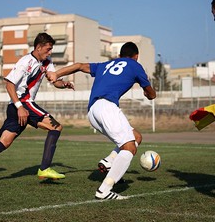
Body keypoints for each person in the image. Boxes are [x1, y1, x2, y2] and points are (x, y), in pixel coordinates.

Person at [46, 42, 156, 200]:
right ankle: (104, 190)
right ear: (136, 56)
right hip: (106, 107)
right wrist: (148, 94)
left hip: (92, 111)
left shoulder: (107, 64)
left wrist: (56, 74)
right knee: (129, 147)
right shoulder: (135, 65)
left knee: (136, 137)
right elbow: (151, 94)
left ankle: (110, 160)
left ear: (119, 56)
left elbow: (79, 65)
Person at [0, 32, 74, 189]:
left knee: (5, 141)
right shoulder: (25, 62)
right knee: (56, 127)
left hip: (19, 106)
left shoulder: (47, 62)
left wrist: (64, 84)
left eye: (51, 50)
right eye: (48, 49)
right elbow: (9, 84)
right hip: (22, 103)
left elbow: (53, 80)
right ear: (38, 47)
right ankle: (45, 168)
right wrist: (20, 107)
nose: (50, 52)